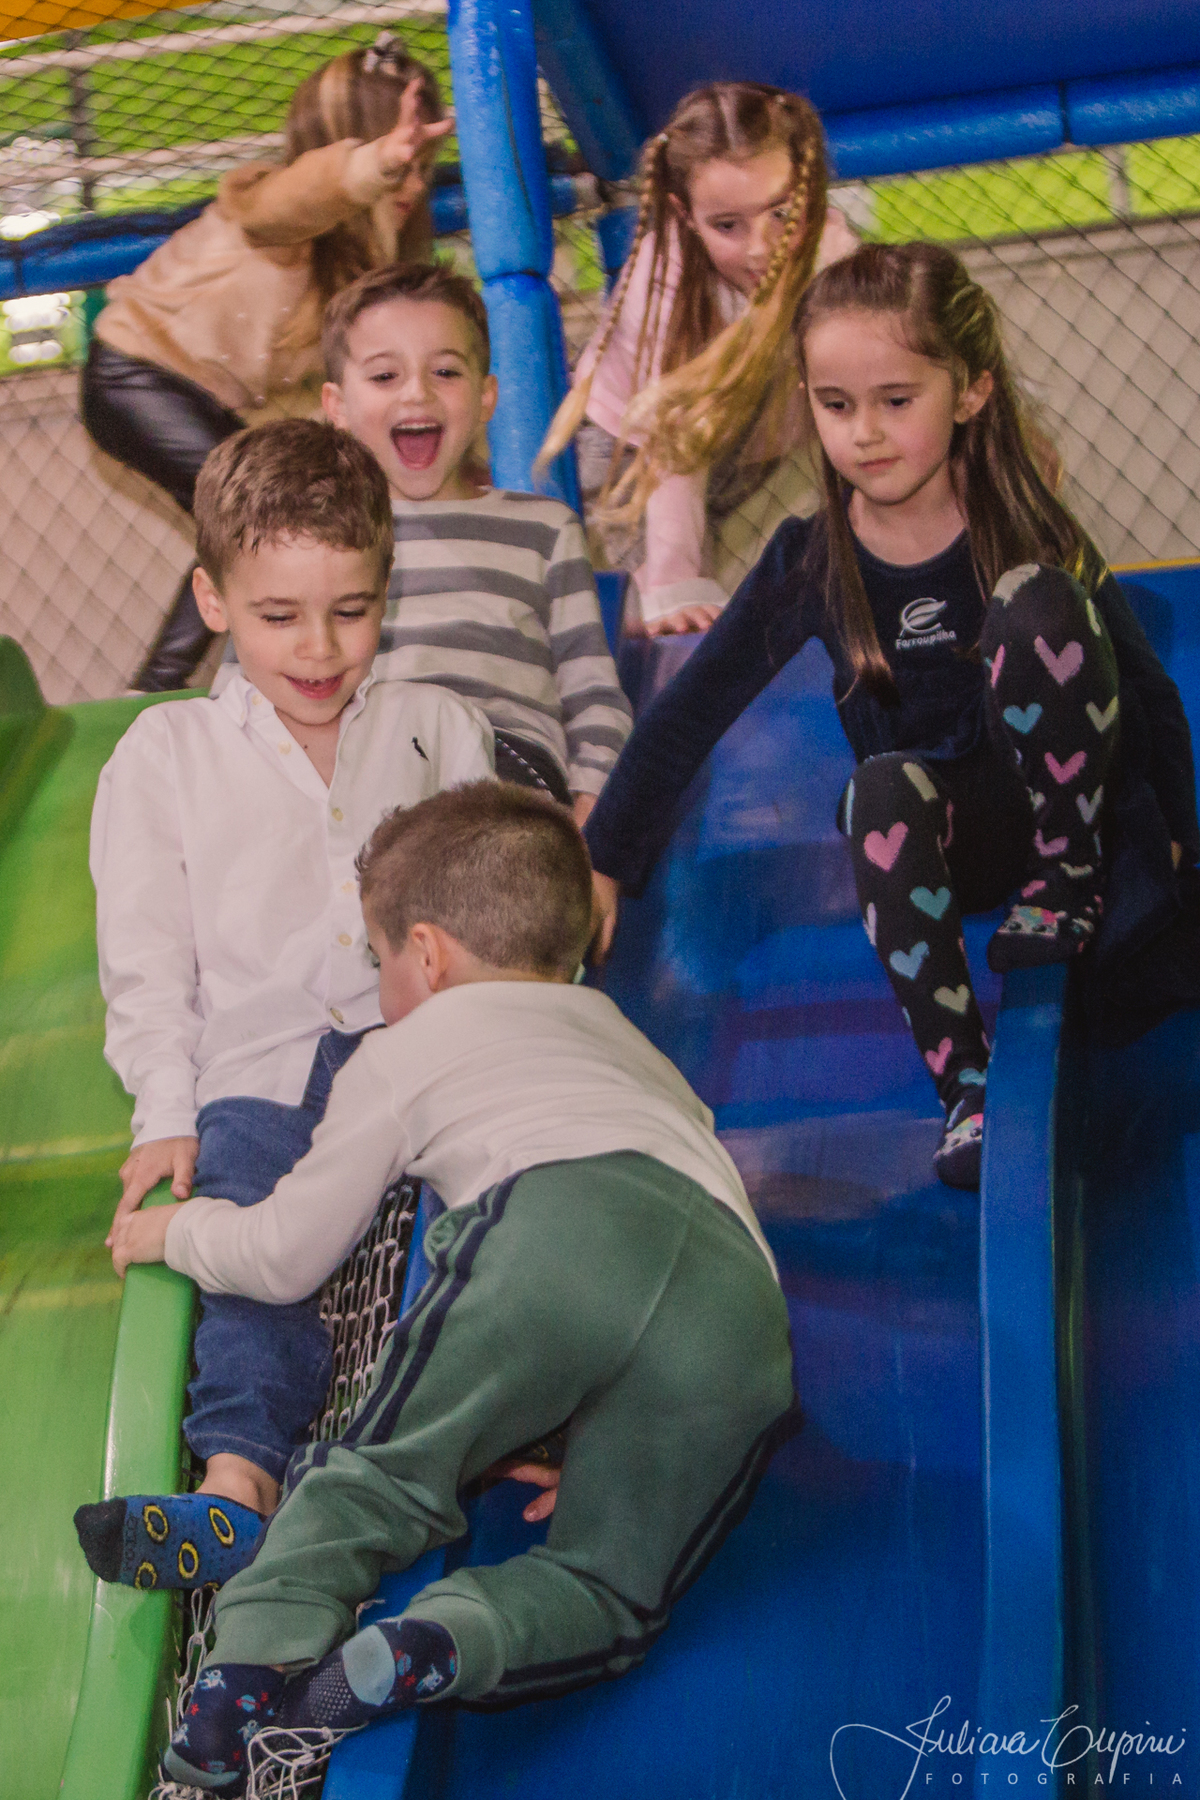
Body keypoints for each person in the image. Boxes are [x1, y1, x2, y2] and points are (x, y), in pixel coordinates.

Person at [100, 781, 797, 1792]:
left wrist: (181, 1228)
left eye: (379, 962)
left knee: (384, 1469)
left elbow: (286, 1253)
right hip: (741, 1307)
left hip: (548, 1225)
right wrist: (608, 1427)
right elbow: (664, 1238)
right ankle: (440, 1643)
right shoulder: (628, 1039)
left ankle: (240, 1677)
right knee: (613, 1589)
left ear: (424, 956)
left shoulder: (407, 1049)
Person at [583, 242, 1200, 1191]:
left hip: (1067, 826)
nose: (865, 433)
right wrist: (602, 860)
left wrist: (1180, 845)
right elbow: (690, 713)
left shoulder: (1022, 520)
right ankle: (966, 1088)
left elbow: (1145, 686)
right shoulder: (812, 559)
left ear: (971, 391)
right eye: (836, 406)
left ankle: (1068, 880)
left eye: (896, 401)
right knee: (875, 791)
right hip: (952, 840)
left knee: (1040, 601)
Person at [73, 420, 494, 1591]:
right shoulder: (165, 754)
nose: (319, 648)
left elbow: (495, 915)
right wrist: (166, 1113)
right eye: (278, 616)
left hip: (419, 1055)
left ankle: (521, 1423)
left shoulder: (438, 728)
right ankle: (238, 1484)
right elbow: (147, 961)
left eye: (350, 610)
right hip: (257, 1070)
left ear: (385, 591)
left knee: (501, 1210)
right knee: (244, 1238)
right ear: (212, 599)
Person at [81, 34, 452, 694]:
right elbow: (290, 202)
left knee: (259, 525)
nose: (414, 183)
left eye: (423, 166)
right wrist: (375, 163)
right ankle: (157, 692)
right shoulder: (275, 208)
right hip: (135, 374)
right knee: (258, 517)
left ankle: (209, 685)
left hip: (204, 395)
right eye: (405, 163)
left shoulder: (361, 256)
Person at [538, 81, 857, 639]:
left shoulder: (830, 254)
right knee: (646, 620)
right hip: (634, 455)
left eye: (781, 212)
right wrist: (674, 582)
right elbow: (673, 448)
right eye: (727, 225)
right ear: (685, 215)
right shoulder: (664, 285)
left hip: (750, 448)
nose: (761, 246)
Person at [321, 261, 632, 824]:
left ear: (487, 397)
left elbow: (593, 697)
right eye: (385, 376)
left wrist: (590, 819)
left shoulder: (543, 530)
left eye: (445, 371)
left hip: (506, 769)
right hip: (366, 772)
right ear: (337, 406)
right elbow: (253, 683)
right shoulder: (315, 537)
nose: (417, 393)